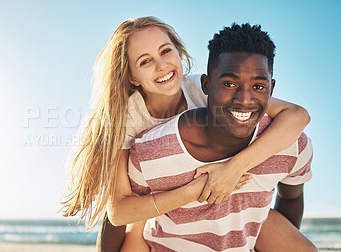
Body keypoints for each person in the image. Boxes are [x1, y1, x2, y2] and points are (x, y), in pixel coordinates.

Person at [60, 17, 311, 251]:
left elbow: (298, 115)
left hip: (215, 196)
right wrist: (196, 189)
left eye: (166, 51)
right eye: (145, 61)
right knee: (136, 228)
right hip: (151, 198)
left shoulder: (204, 90)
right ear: (132, 77)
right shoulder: (126, 118)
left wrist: (234, 168)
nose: (162, 66)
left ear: (179, 52)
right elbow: (117, 212)